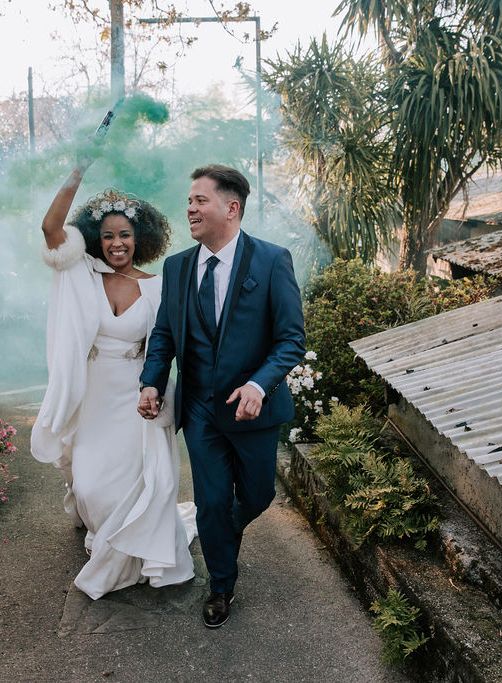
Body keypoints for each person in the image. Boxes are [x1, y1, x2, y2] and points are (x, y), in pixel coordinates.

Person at [138, 164, 305, 628]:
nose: (190, 208)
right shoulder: (177, 267)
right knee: (211, 501)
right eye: (189, 200)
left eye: (199, 200)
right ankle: (220, 585)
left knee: (257, 495)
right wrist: (151, 381)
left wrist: (258, 384)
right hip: (200, 410)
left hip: (254, 411)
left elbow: (291, 339)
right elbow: (165, 334)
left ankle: (221, 533)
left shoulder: (272, 261)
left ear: (231, 208)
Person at [30, 161, 197, 600]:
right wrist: (76, 172)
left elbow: (165, 344)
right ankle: (109, 535)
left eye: (124, 234)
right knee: (89, 483)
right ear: (96, 240)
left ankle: (135, 550)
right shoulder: (81, 273)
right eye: (107, 236)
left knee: (140, 478)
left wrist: (156, 389)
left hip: (139, 392)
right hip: (94, 392)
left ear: (139, 239)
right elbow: (51, 228)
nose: (116, 243)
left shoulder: (159, 286)